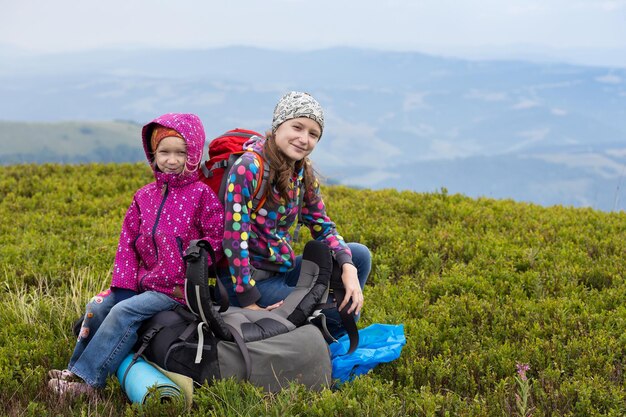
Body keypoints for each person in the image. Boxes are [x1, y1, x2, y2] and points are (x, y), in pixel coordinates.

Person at [48, 113, 224, 397]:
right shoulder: (144, 196)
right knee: (98, 304)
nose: (172, 159)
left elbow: (216, 238)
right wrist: (124, 285)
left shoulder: (201, 195)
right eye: (164, 152)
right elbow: (127, 242)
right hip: (144, 282)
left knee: (122, 312)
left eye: (181, 152)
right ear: (153, 153)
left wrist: (197, 255)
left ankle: (89, 383)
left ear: (193, 153)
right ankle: (75, 369)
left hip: (175, 288)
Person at [219, 91, 371, 338]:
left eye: (313, 134)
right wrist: (250, 304)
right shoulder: (249, 168)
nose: (304, 139)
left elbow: (322, 225)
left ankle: (331, 331)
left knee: (359, 256)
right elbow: (234, 239)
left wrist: (347, 266)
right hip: (246, 282)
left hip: (282, 270)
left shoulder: (301, 172)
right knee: (340, 313)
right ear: (278, 125)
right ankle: (331, 338)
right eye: (297, 127)